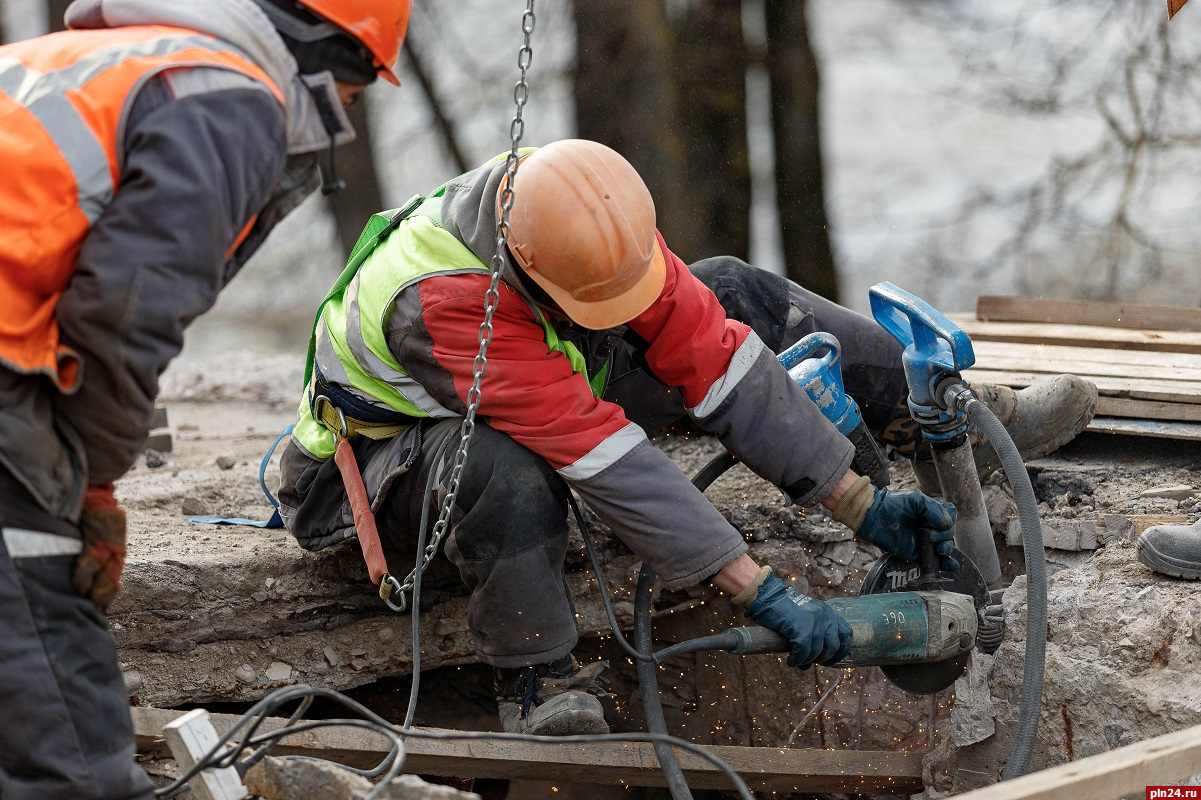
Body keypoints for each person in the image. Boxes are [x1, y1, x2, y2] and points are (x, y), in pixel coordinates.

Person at [278, 139, 1097, 736]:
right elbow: (599, 454)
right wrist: (757, 589)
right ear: (532, 272)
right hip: (383, 469)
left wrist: (859, 501)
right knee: (501, 459)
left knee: (730, 290)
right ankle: (535, 679)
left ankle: (940, 417)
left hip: (535, 370)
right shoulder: (450, 301)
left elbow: (718, 362)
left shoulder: (587, 216)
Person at [0, 0, 409, 797]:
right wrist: (91, 484)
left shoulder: (98, 60)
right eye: (352, 101)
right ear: (329, 63)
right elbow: (123, 319)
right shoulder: (229, 99)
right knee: (58, 692)